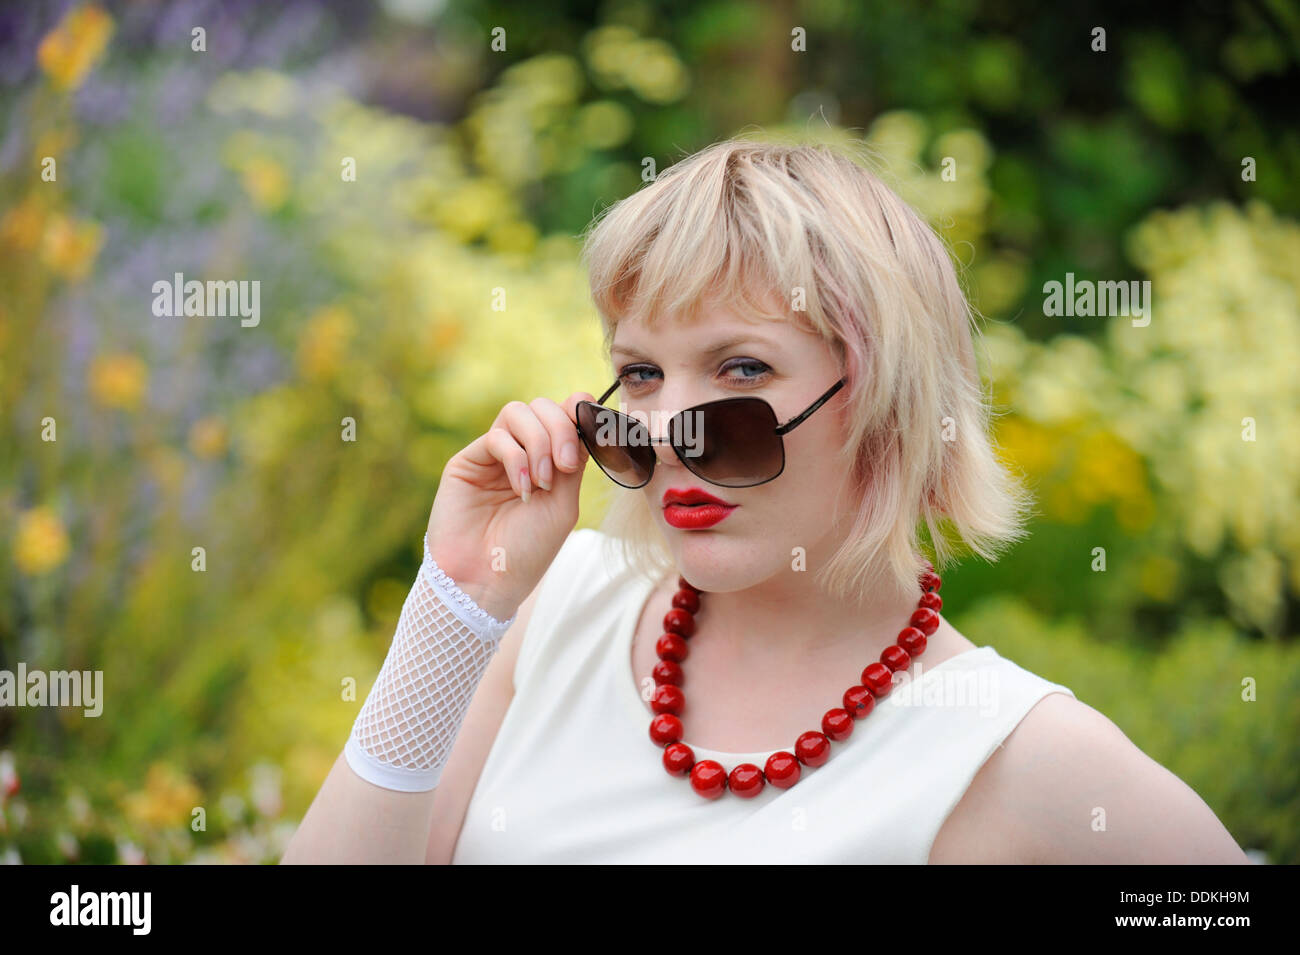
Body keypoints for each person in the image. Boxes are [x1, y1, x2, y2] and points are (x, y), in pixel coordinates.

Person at [281, 138, 1249, 864]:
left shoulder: (1020, 752)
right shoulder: (557, 610)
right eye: (642, 374)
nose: (666, 432)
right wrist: (457, 599)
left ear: (883, 396)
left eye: (741, 367)